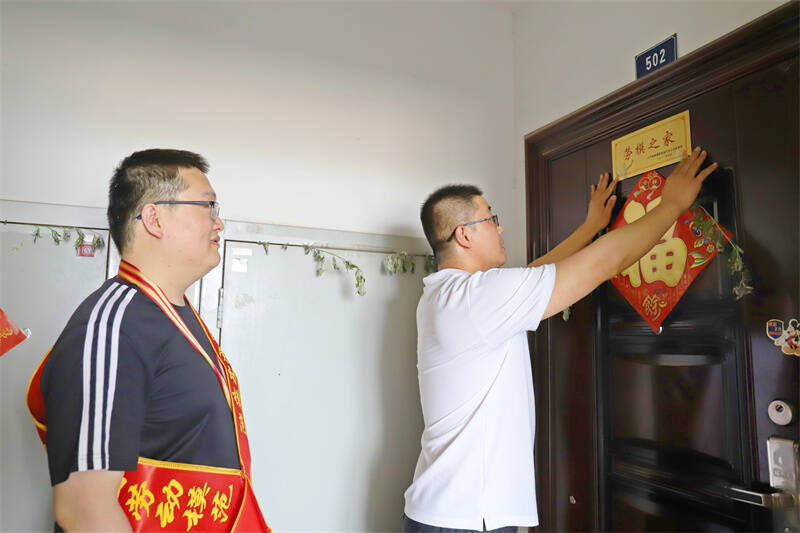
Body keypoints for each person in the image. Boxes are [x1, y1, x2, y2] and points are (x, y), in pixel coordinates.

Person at [404, 148, 717, 532]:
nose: (500, 229)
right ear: (464, 234)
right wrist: (672, 205)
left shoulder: (451, 296)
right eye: (491, 219)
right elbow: (606, 262)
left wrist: (589, 228)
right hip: (465, 518)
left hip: (451, 511)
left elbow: (536, 275)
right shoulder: (476, 298)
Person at [26, 149, 270, 532]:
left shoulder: (173, 315)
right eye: (207, 206)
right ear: (155, 219)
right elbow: (84, 509)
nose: (218, 222)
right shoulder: (113, 325)